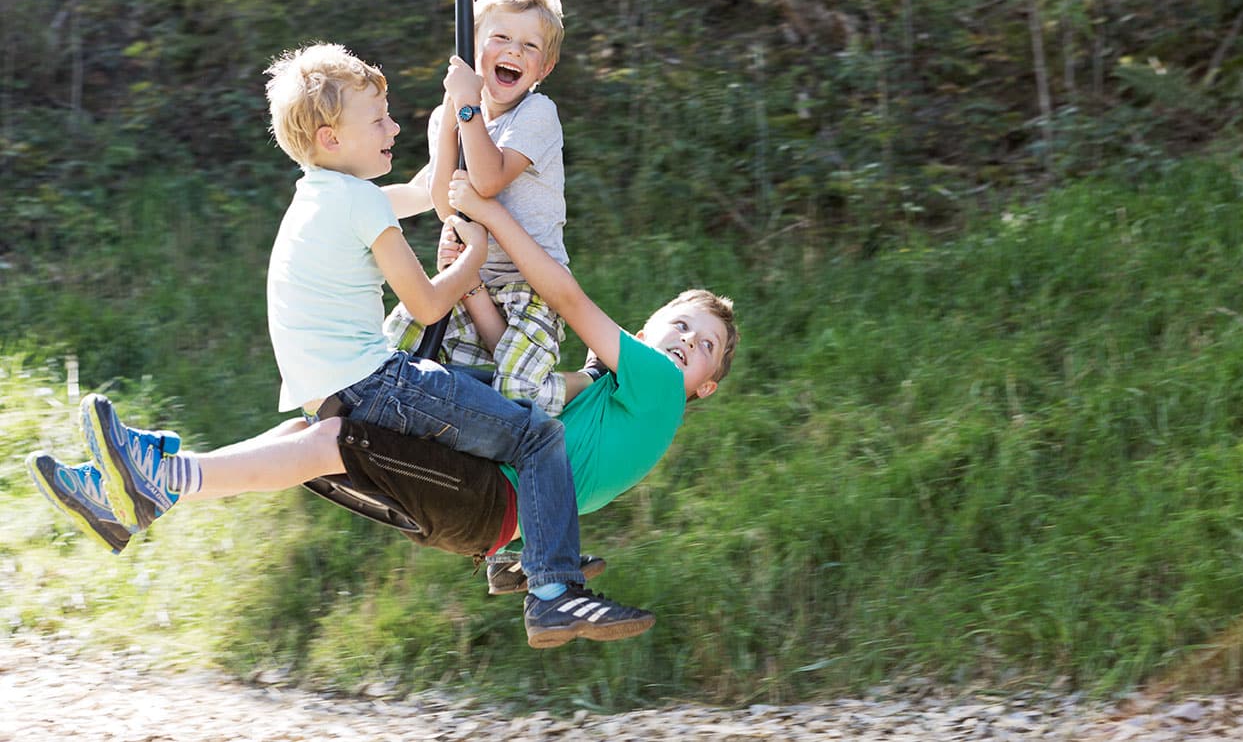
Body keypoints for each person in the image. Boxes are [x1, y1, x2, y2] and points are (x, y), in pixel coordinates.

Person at [24, 41, 654, 649]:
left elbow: (431, 193)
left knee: (312, 447)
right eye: (378, 120)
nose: (392, 127)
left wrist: (455, 115)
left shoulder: (323, 194)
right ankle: (553, 591)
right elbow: (429, 303)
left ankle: (127, 485)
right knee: (536, 433)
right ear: (332, 138)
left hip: (326, 388)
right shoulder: (360, 204)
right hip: (379, 383)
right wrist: (476, 259)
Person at [29, 184, 739, 618]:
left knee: (330, 441)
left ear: (704, 386)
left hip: (487, 499)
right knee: (315, 431)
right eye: (678, 325)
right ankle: (135, 492)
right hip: (479, 508)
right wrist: (473, 277)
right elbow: (510, 364)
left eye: (703, 346)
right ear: (647, 328)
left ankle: (159, 479)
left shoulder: (654, 389)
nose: (685, 342)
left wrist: (491, 215)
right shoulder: (615, 389)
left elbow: (565, 296)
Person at [385, 0, 573, 417]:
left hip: (531, 290)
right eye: (501, 38)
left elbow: (486, 182)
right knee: (392, 354)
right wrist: (347, 201)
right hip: (468, 281)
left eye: (529, 46)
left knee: (515, 394)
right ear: (472, 52)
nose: (513, 51)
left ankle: (579, 384)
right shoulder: (448, 116)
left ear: (544, 68)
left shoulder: (537, 113)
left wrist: (466, 107)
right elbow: (443, 199)